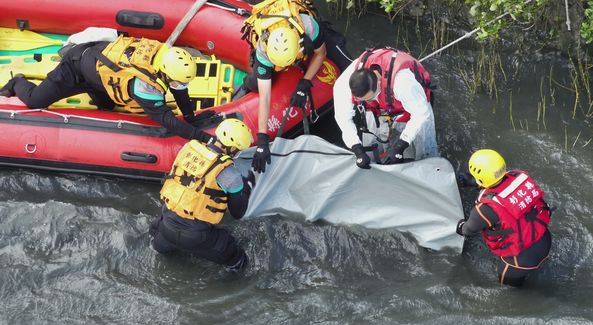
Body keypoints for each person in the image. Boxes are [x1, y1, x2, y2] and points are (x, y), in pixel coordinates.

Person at [0, 34, 213, 143]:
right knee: (35, 100)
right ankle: (16, 82)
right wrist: (201, 136)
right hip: (75, 68)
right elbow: (167, 121)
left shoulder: (163, 58)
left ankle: (93, 89)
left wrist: (190, 115)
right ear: (165, 72)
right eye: (176, 82)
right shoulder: (143, 86)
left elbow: (180, 90)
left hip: (102, 74)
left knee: (107, 107)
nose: (180, 87)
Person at [240, 0, 353, 173]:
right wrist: (262, 139)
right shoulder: (264, 50)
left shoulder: (308, 26)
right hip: (278, 47)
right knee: (255, 83)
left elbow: (320, 53)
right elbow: (265, 98)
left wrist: (305, 83)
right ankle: (245, 84)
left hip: (305, 39)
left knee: (345, 61)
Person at [149, 118, 255, 272]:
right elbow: (238, 212)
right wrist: (246, 187)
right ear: (232, 149)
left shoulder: (187, 149)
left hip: (166, 227)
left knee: (158, 240)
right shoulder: (230, 174)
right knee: (238, 260)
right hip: (197, 237)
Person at [456, 149, 553, 287]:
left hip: (518, 263)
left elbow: (467, 230)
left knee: (509, 290)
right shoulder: (519, 176)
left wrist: (460, 226)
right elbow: (502, 189)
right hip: (544, 240)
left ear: (481, 178)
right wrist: (474, 182)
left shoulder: (485, 210)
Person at [333, 47, 439, 169]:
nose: (369, 101)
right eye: (364, 99)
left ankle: (427, 167)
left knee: (425, 149)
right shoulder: (343, 85)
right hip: (378, 109)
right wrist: (356, 148)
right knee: (370, 144)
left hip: (412, 106)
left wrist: (401, 144)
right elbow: (342, 117)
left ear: (378, 82)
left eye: (370, 98)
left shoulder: (403, 82)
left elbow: (421, 113)